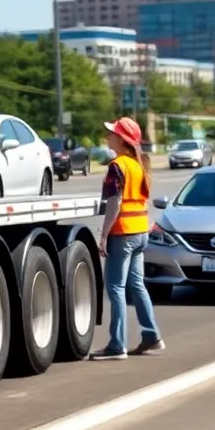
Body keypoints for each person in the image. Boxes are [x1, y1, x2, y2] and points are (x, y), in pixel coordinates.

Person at [90, 116, 165, 361]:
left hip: (122, 233)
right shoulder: (138, 165)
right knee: (137, 285)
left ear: (121, 140)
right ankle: (152, 336)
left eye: (112, 133)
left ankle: (116, 345)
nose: (107, 136)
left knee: (115, 287)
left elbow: (115, 203)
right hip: (141, 232)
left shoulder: (117, 166)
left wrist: (103, 235)